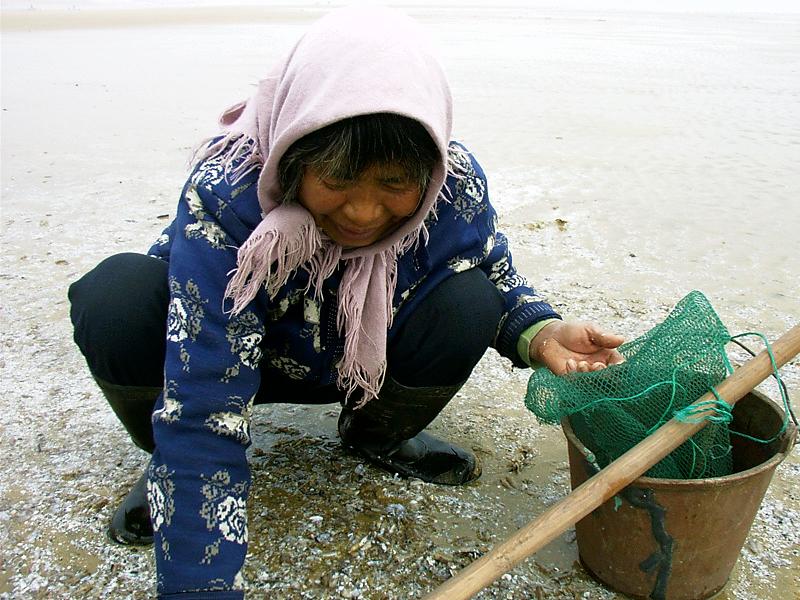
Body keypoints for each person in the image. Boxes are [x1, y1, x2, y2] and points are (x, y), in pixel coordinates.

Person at [68, 6, 624, 598]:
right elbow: (205, 395)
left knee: (470, 298)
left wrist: (539, 334)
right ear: (295, 152)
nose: (362, 213)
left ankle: (376, 432)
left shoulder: (454, 181)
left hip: (365, 363)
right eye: (336, 179)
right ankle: (168, 466)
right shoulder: (230, 187)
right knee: (117, 298)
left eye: (392, 185)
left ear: (429, 165)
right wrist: (198, 579)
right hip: (236, 357)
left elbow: (492, 269)